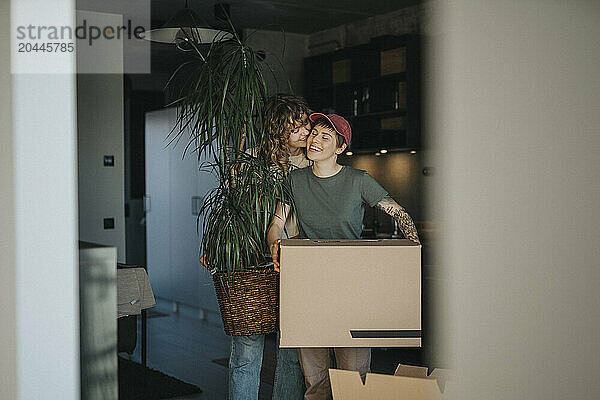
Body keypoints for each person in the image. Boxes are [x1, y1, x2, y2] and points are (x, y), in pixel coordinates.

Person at [267, 113, 420, 400]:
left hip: (352, 287)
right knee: (315, 384)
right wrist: (276, 243)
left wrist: (412, 257)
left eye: (326, 137)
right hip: (309, 287)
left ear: (340, 148)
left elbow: (398, 212)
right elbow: (276, 224)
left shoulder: (359, 180)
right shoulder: (294, 180)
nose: (315, 140)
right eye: (314, 133)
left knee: (354, 382)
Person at [201, 94, 312, 400]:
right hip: (250, 260)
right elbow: (228, 209)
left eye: (306, 124)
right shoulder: (249, 160)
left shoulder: (310, 162)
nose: (305, 132)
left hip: (295, 262)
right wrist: (214, 244)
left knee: (290, 351)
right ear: (278, 129)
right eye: (297, 126)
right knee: (247, 349)